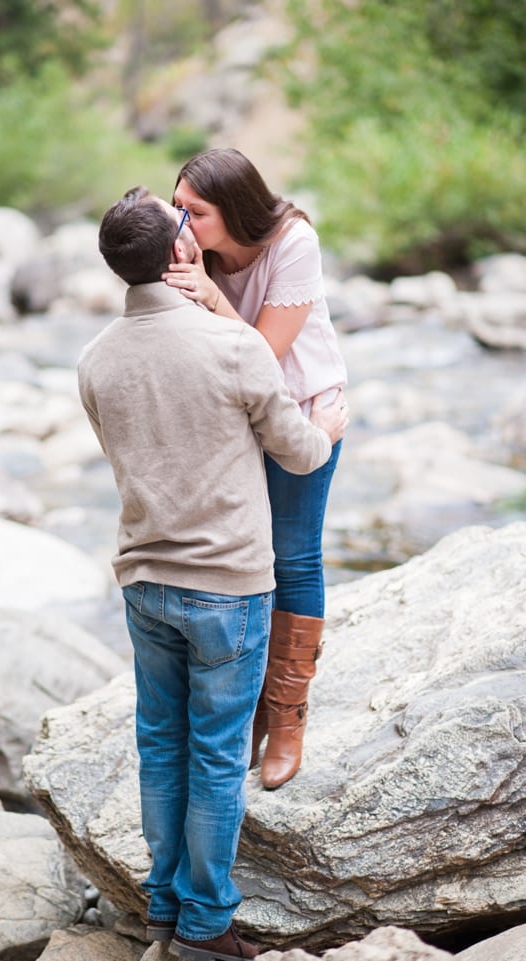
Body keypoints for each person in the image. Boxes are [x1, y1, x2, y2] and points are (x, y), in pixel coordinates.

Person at [77, 186, 348, 961]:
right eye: (184, 226)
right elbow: (297, 452)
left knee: (160, 744)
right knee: (219, 752)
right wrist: (325, 427)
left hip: (143, 582)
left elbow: (122, 454)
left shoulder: (95, 359)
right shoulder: (232, 347)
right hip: (228, 587)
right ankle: (205, 926)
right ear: (179, 256)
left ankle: (163, 907)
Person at [163, 147, 349, 791]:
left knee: (294, 557)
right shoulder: (187, 248)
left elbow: (264, 354)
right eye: (176, 209)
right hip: (233, 421)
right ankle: (245, 716)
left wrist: (210, 295)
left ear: (234, 211)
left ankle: (288, 716)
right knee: (245, 560)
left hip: (303, 411)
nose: (182, 224)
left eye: (196, 213)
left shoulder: (293, 241)